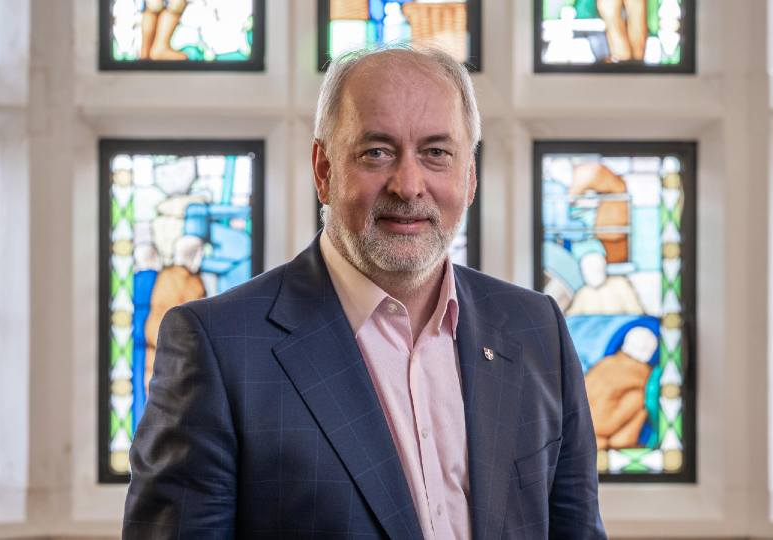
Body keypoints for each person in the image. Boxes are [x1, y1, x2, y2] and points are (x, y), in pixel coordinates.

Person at [123, 46, 606, 539]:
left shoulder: (535, 328)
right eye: (377, 151)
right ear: (324, 170)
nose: (409, 184)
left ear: (470, 176)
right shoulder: (219, 348)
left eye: (437, 153)